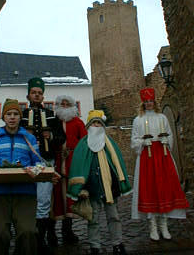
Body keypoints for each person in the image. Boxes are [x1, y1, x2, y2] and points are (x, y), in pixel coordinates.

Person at [67, 110, 131, 255]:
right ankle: (94, 246)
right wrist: (80, 188)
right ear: (89, 126)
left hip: (109, 188)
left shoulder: (110, 144)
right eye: (94, 123)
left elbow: (117, 164)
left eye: (99, 123)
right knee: (93, 219)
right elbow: (78, 166)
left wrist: (119, 183)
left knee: (114, 217)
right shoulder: (82, 146)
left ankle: (117, 243)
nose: (96, 126)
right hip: (92, 188)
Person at [0, 99, 42, 255]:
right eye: (8, 114)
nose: (12, 117)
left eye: (16, 114)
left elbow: (39, 163)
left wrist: (35, 170)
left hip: (25, 192)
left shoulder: (29, 139)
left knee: (28, 233)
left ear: (20, 117)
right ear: (4, 117)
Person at [131, 88, 189, 241]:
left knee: (164, 188)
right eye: (146, 101)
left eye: (151, 101)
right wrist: (143, 142)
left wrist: (166, 141)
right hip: (147, 158)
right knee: (150, 189)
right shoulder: (138, 120)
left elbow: (169, 134)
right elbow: (134, 140)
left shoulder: (162, 117)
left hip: (162, 156)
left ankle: (164, 225)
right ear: (143, 103)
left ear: (154, 102)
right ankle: (153, 226)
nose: (149, 104)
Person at [20, 77, 66, 251]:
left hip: (46, 160)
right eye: (34, 93)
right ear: (29, 95)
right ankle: (26, 239)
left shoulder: (51, 115)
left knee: (44, 201)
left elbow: (62, 137)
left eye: (40, 93)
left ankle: (40, 241)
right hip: (26, 162)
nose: (37, 95)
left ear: (42, 95)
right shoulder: (22, 115)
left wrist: (51, 137)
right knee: (27, 199)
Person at [53, 95, 87, 243]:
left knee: (70, 197)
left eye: (67, 104)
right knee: (56, 197)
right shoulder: (55, 122)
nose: (65, 106)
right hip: (57, 161)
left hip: (73, 162)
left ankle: (68, 230)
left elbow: (84, 142)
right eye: (62, 104)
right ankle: (51, 231)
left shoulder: (78, 122)